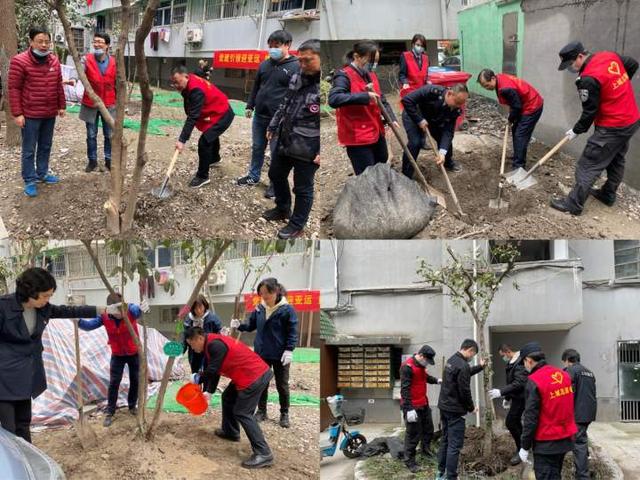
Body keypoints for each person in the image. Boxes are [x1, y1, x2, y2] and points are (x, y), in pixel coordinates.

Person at [0, 268, 114, 442]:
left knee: (23, 423)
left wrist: (105, 309)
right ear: (30, 292)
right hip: (4, 379)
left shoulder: (43, 309)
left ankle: (30, 462)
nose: (48, 300)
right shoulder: (3, 307)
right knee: (8, 430)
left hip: (27, 375)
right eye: (45, 295)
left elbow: (69, 310)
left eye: (50, 296)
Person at [551, 41, 639, 215]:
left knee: (588, 164)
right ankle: (608, 194)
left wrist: (576, 130)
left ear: (580, 56)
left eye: (570, 63)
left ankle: (573, 204)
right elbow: (633, 64)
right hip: (631, 120)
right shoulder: (608, 55)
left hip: (612, 126)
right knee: (616, 159)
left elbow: (589, 112)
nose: (570, 68)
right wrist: (617, 89)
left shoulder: (588, 78)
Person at [186, 326, 274, 469]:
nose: (192, 348)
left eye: (192, 344)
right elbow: (216, 370)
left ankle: (263, 453)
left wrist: (198, 378)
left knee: (243, 412)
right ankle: (231, 431)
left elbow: (213, 370)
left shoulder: (215, 345)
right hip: (247, 373)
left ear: (199, 338)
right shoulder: (211, 345)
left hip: (253, 375)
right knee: (228, 397)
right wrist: (209, 392)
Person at [262, 38, 320, 239]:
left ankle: (297, 224)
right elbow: (285, 103)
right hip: (286, 139)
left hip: (309, 147)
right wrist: (273, 125)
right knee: (275, 174)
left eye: (308, 60)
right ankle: (283, 207)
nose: (302, 64)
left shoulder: (324, 87)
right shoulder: (297, 76)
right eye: (301, 60)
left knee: (303, 187)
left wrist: (321, 151)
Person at [237, 30, 300, 200]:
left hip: (279, 120)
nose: (273, 49)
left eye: (277, 46)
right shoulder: (264, 65)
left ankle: (275, 185)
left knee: (276, 153)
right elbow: (256, 86)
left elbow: (294, 95)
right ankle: (253, 175)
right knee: (257, 147)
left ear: (288, 45)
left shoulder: (295, 67)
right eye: (270, 46)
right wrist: (250, 105)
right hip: (260, 115)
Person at [230, 278, 298, 428]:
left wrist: (289, 350)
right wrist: (239, 326)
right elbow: (250, 325)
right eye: (261, 294)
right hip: (262, 353)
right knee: (262, 384)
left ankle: (284, 413)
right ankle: (261, 410)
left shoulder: (287, 310)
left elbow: (292, 332)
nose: (264, 297)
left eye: (267, 294)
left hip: (280, 354)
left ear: (276, 292)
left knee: (282, 385)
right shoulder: (259, 308)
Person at [8, 26, 65, 198]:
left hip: (49, 113)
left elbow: (58, 85)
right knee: (29, 148)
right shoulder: (19, 61)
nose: (44, 45)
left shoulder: (54, 61)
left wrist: (61, 106)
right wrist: (17, 113)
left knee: (46, 145)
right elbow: (14, 88)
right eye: (40, 41)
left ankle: (42, 173)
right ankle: (29, 179)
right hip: (30, 114)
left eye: (47, 41)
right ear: (31, 42)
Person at [78, 292, 150, 427]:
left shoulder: (130, 309)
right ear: (110, 309)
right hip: (117, 354)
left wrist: (142, 308)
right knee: (114, 382)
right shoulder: (104, 317)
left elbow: (138, 311)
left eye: (122, 309)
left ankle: (132, 406)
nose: (120, 313)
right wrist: (78, 321)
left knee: (135, 379)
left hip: (134, 352)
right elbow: (89, 326)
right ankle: (110, 411)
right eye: (117, 311)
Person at [329, 40, 399, 175]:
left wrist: (391, 118)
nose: (374, 65)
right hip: (357, 135)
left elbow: (382, 100)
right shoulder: (344, 75)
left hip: (375, 130)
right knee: (366, 172)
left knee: (381, 161)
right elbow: (334, 99)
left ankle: (380, 190)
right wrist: (364, 96)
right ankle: (369, 194)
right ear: (356, 57)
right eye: (371, 60)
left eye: (376, 61)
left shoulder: (371, 75)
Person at [519, 342, 577, 480]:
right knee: (555, 474)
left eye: (524, 363)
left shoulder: (534, 380)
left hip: (546, 442)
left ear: (529, 360)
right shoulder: (563, 375)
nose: (524, 366)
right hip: (565, 439)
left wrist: (524, 446)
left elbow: (530, 418)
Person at [171, 65, 235, 188]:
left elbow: (193, 116)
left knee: (204, 142)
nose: (176, 86)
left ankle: (202, 176)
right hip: (217, 110)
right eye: (173, 83)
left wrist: (182, 140)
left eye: (177, 82)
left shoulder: (196, 89)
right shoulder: (190, 81)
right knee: (211, 134)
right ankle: (214, 158)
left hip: (223, 113)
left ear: (186, 76)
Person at [436, 339, 486, 480]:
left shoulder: (452, 360)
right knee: (454, 446)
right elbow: (465, 390)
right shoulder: (463, 365)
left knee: (445, 441)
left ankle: (440, 472)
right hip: (454, 410)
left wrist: (480, 367)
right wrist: (471, 407)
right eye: (473, 354)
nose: (472, 357)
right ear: (469, 350)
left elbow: (464, 373)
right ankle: (451, 476)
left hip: (444, 407)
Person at [477, 69, 544, 170]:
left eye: (487, 85)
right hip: (525, 105)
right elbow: (514, 103)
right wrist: (512, 120)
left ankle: (519, 166)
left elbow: (517, 107)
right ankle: (518, 156)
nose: (487, 88)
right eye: (484, 87)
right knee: (515, 130)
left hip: (532, 106)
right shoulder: (499, 79)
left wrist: (510, 119)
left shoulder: (505, 89)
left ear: (493, 78)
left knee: (520, 135)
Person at [400, 83, 468, 178]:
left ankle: (447, 161)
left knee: (445, 141)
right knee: (415, 142)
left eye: (460, 104)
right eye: (457, 102)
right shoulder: (431, 91)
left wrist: (442, 152)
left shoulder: (455, 109)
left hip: (434, 119)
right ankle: (406, 174)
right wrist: (419, 120)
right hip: (414, 114)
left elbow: (448, 131)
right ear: (449, 93)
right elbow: (407, 100)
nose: (458, 106)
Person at [400, 344, 442, 473]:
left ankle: (425, 450)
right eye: (427, 361)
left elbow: (425, 378)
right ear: (421, 356)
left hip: (423, 403)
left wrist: (437, 380)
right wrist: (409, 409)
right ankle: (409, 461)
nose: (427, 364)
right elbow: (405, 390)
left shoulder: (421, 366)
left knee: (428, 430)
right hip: (412, 406)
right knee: (413, 434)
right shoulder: (407, 367)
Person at [79, 32, 116, 173]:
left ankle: (109, 160)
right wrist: (74, 79)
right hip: (91, 103)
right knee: (91, 134)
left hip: (109, 103)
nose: (97, 44)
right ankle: (92, 161)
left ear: (107, 45)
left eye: (100, 42)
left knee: (109, 134)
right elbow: (80, 73)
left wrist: (119, 102)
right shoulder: (86, 59)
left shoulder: (114, 61)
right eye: (95, 41)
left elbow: (118, 82)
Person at [487, 343, 528, 465]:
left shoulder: (520, 361)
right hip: (516, 397)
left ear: (507, 352)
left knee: (511, 422)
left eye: (502, 355)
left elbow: (519, 383)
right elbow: (511, 381)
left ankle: (522, 450)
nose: (502, 358)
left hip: (522, 397)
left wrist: (501, 392)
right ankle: (523, 447)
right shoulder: (512, 362)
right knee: (515, 422)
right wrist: (507, 397)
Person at [562, 348, 597, 480]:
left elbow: (567, 392)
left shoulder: (571, 371)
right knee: (581, 438)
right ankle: (584, 462)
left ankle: (583, 476)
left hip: (577, 413)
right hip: (588, 413)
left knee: (578, 443)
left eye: (564, 362)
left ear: (567, 360)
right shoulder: (589, 372)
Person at [182, 294, 222, 374]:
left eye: (200, 307)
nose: (198, 310)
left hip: (209, 352)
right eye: (195, 308)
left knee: (208, 373)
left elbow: (219, 335)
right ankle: (197, 386)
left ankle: (207, 386)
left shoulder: (212, 319)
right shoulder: (189, 320)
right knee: (195, 374)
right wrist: (180, 352)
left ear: (205, 305)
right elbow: (185, 338)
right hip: (194, 352)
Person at [399, 34, 429, 101]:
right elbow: (402, 74)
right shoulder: (405, 56)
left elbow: (426, 74)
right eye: (418, 45)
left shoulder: (425, 58)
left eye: (422, 46)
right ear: (413, 44)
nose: (420, 47)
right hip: (410, 92)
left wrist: (427, 80)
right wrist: (405, 82)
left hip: (422, 91)